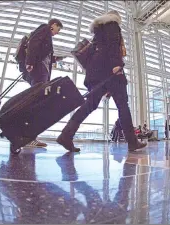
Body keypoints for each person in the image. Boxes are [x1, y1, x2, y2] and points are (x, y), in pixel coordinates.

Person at [56, 10, 147, 152]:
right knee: (123, 105)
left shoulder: (98, 32)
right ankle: (132, 141)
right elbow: (113, 45)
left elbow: (98, 53)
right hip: (111, 71)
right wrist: (116, 64)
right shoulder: (112, 24)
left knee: (89, 105)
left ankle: (66, 135)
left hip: (96, 74)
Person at [21, 18, 64, 148]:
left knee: (35, 103)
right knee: (35, 103)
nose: (58, 32)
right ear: (54, 25)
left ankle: (29, 136)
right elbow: (33, 43)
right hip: (39, 72)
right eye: (58, 29)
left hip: (41, 73)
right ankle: (28, 137)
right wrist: (29, 62)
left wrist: (55, 58)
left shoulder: (47, 36)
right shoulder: (44, 29)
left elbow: (42, 54)